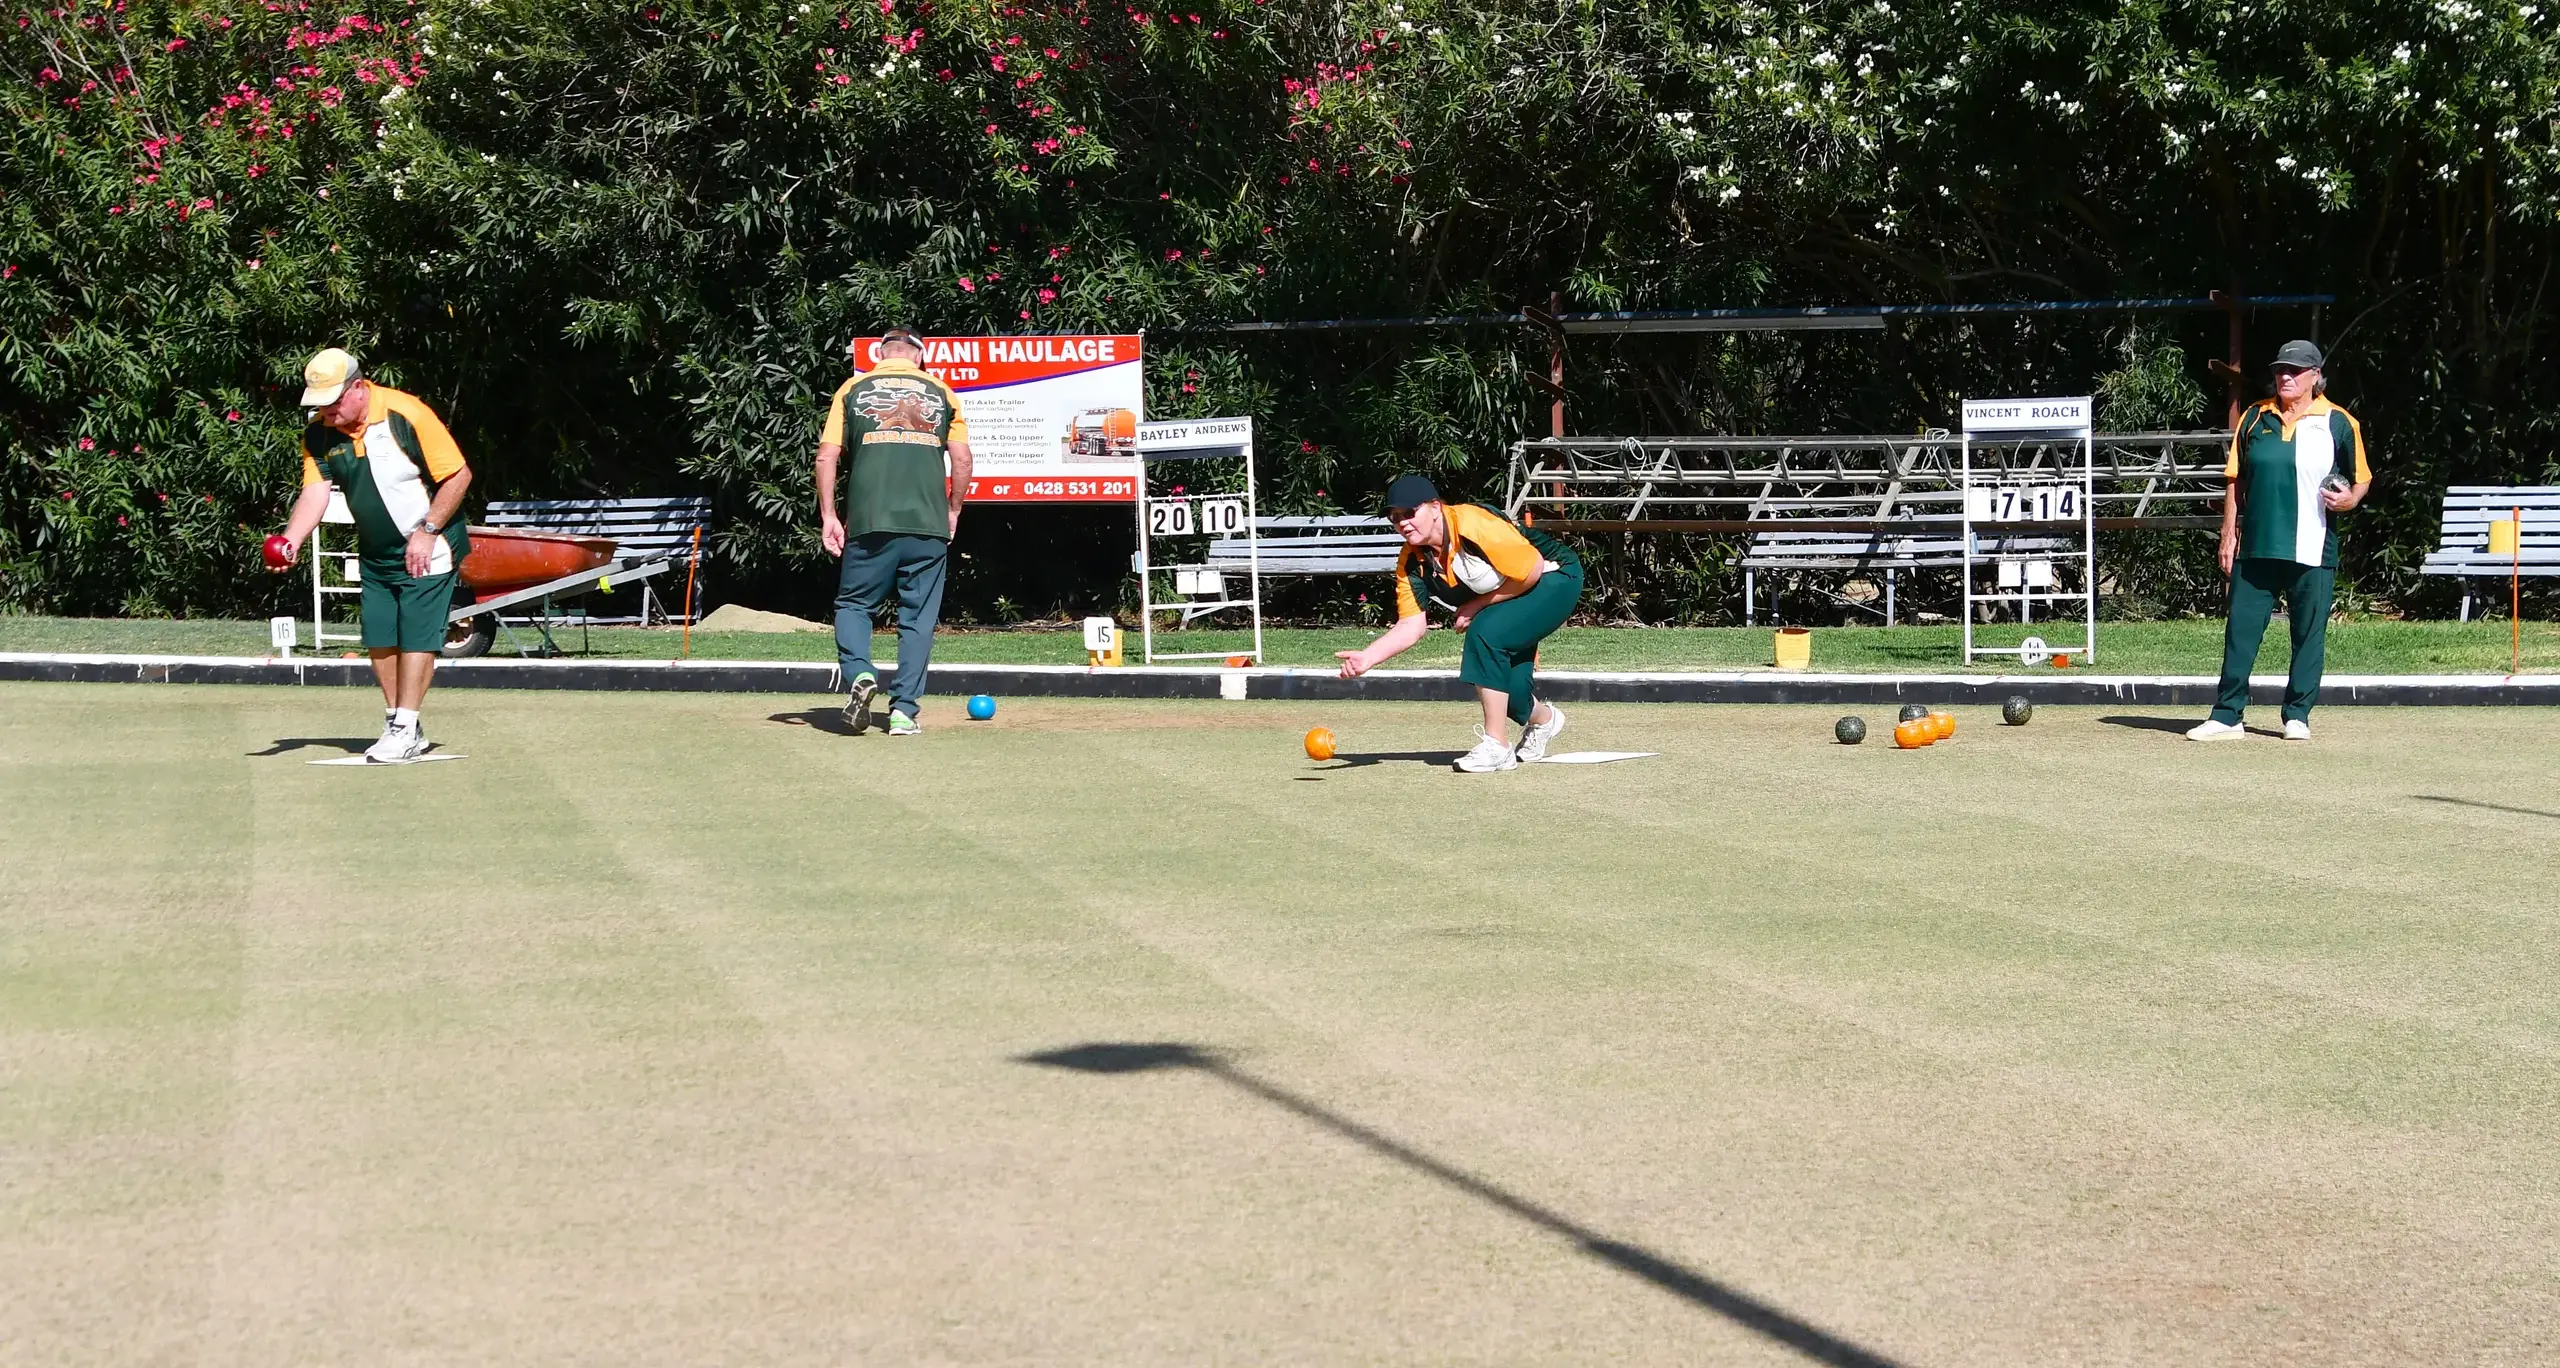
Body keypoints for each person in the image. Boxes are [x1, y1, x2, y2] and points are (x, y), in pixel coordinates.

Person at [271, 348, 474, 763]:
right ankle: (400, 724)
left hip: (429, 544)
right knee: (380, 637)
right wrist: (291, 540)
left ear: (358, 388)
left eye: (333, 401)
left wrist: (428, 531)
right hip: (377, 552)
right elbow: (315, 493)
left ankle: (404, 727)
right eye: (319, 404)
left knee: (416, 635)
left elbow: (458, 475)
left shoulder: (405, 414)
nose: (327, 412)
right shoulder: (319, 434)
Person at [2188, 339, 2371, 743]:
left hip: (2314, 545)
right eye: (2280, 370)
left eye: (2295, 370)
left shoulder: (2339, 422)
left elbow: (2361, 479)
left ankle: (2297, 715)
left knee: (2308, 634)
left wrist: (2349, 500)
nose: (2285, 376)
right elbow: (2235, 478)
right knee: (2241, 631)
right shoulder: (2255, 417)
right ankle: (2227, 715)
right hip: (2256, 544)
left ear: (2315, 376)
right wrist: (2228, 533)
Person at [1336, 474, 1584, 772]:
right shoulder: (1412, 561)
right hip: (1511, 593)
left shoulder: (1472, 524)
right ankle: (1546, 721)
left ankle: (1497, 747)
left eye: (1410, 513)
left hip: (1554, 577)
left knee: (1485, 632)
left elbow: (1531, 570)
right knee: (1511, 696)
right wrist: (1368, 657)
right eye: (1395, 518)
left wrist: (1478, 604)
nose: (1403, 523)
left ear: (1435, 507)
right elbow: (1411, 625)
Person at [816, 328, 974, 736]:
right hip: (928, 524)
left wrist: (829, 515)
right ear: (919, 356)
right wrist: (953, 511)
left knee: (854, 605)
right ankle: (903, 712)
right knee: (918, 619)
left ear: (881, 354)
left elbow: (827, 456)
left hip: (869, 521)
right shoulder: (942, 392)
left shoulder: (852, 388)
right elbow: (962, 460)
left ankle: (859, 673)